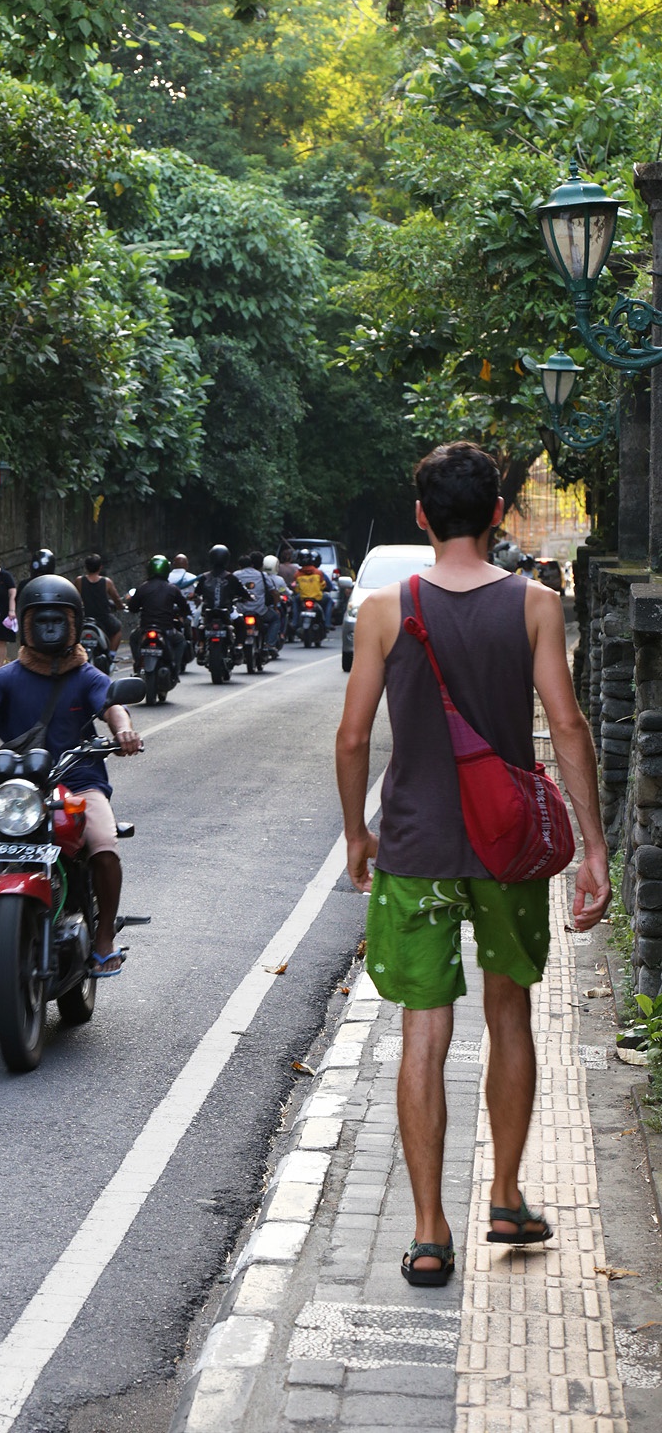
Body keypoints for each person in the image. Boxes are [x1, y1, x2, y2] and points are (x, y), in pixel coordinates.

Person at [335, 441, 611, 1288]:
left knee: (423, 1028)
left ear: (422, 515)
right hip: (510, 849)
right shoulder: (534, 605)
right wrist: (594, 846)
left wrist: (358, 834)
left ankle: (426, 1232)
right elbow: (566, 727)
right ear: (498, 515)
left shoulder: (386, 608)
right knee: (511, 1015)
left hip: (416, 849)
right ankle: (506, 1194)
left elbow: (352, 738)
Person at [0, 575, 142, 976]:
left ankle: (105, 935)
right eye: (40, 620)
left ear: (73, 623)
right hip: (21, 788)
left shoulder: (86, 675)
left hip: (78, 782)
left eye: (57, 619)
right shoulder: (6, 676)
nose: (49, 627)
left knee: (104, 845)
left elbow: (112, 705)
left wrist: (122, 729)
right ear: (25, 624)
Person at [127, 555, 190, 673]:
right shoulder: (172, 588)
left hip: (145, 628)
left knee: (133, 638)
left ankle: (138, 664)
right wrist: (183, 614)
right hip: (166, 629)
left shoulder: (143, 588)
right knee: (181, 641)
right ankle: (175, 669)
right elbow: (184, 607)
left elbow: (132, 608)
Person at [194, 544, 250, 653]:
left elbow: (197, 593)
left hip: (207, 611)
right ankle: (238, 646)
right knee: (241, 625)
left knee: (198, 624)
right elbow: (243, 592)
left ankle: (200, 646)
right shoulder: (231, 577)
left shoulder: (204, 577)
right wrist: (248, 597)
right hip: (227, 610)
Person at [78, 553, 123, 662]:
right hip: (103, 619)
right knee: (118, 629)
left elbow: (76, 598)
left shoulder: (79, 581)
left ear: (86, 567)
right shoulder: (106, 582)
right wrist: (120, 606)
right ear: (100, 567)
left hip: (86, 619)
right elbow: (117, 599)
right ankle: (111, 656)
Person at [234, 549, 279, 653]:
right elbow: (274, 593)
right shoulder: (262, 575)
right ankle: (269, 644)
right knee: (275, 618)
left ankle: (236, 644)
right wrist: (276, 608)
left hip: (240, 611)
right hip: (260, 610)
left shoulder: (235, 575)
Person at [292, 548, 330, 629]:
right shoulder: (319, 573)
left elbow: (296, 589)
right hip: (318, 597)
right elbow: (323, 585)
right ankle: (327, 623)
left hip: (303, 598)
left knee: (295, 600)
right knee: (329, 600)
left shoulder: (297, 574)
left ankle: (294, 622)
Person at [263, 554, 290, 646]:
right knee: (280, 615)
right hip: (272, 605)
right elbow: (283, 591)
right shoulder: (279, 580)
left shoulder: (260, 576)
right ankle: (281, 633)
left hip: (261, 605)